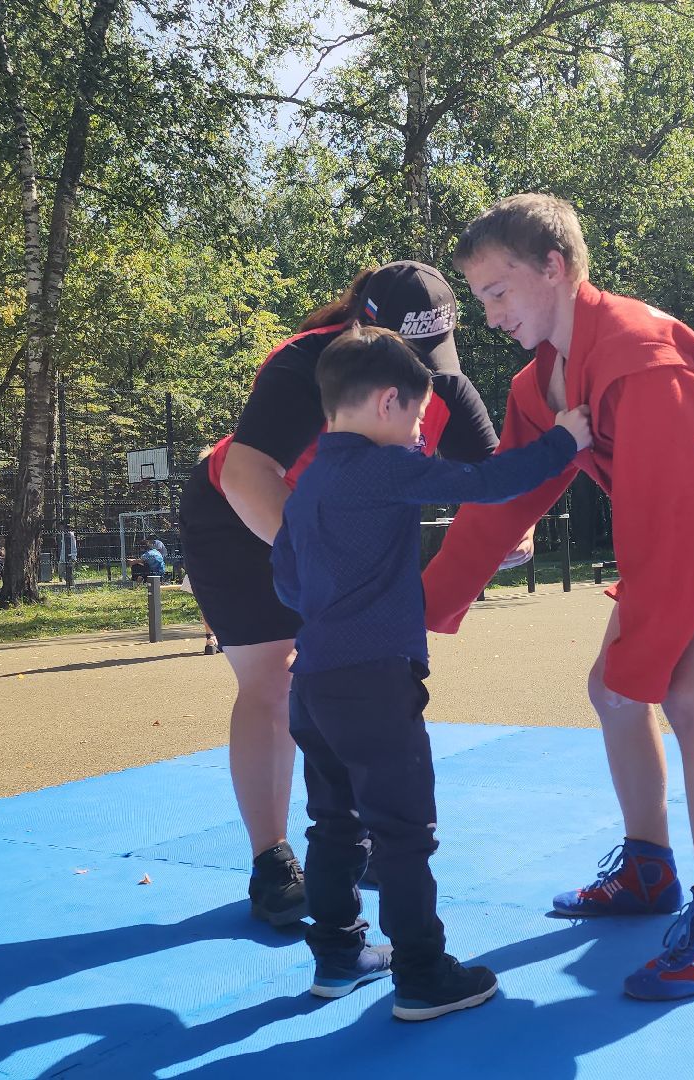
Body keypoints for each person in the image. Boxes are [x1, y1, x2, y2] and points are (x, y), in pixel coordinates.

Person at [421, 194, 694, 1001]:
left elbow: (674, 527)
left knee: (687, 696)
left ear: (556, 269)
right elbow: (499, 505)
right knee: (611, 692)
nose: (490, 313)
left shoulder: (640, 358)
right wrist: (415, 611)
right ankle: (648, 867)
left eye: (500, 291)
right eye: (479, 299)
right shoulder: (538, 384)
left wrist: (645, 657)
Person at [272, 325, 592, 1019]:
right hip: (375, 683)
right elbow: (484, 482)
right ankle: (421, 973)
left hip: (314, 683)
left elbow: (288, 583)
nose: (422, 433)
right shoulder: (385, 468)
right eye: (419, 418)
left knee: (333, 824)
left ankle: (337, 954)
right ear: (389, 402)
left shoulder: (306, 487)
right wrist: (565, 439)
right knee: (403, 832)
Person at [179, 261, 500, 925]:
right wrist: (321, 564)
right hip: (241, 514)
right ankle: (272, 861)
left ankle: (366, 832)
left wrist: (505, 533)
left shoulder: (446, 385)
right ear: (364, 329)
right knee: (274, 679)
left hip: (339, 533)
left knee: (363, 675)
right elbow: (246, 473)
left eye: (428, 359)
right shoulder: (305, 365)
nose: (417, 377)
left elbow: (495, 486)